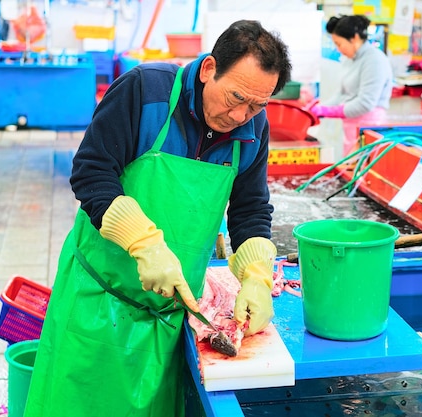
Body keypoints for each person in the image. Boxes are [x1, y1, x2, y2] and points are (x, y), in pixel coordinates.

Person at [24, 19, 291, 417]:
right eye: (236, 97)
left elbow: (250, 207)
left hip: (167, 315)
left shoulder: (254, 127)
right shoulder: (144, 91)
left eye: (257, 105)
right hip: (98, 302)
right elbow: (91, 172)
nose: (241, 115)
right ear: (208, 70)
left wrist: (256, 274)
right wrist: (144, 244)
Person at [309, 14, 393, 154]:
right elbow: (342, 94)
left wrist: (330, 112)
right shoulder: (350, 59)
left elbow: (365, 103)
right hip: (351, 128)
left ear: (354, 38)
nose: (337, 49)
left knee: (365, 169)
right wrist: (321, 107)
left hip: (370, 129)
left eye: (339, 44)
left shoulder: (374, 60)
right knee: (351, 169)